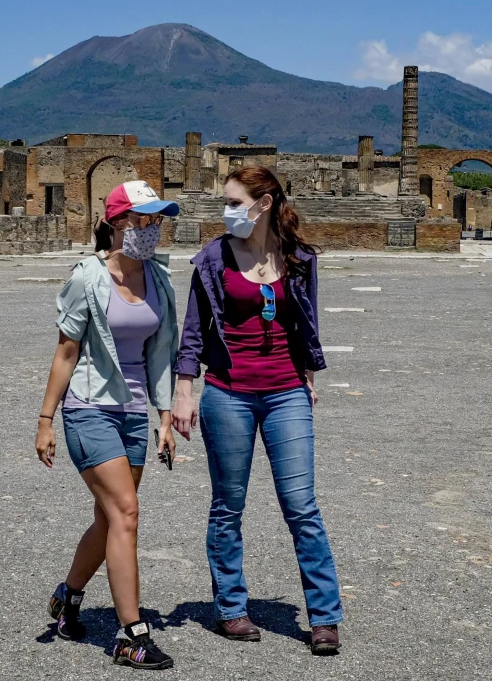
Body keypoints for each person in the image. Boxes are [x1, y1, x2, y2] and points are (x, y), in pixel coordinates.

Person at [171, 166, 344, 656]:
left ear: (264, 203)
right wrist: (186, 390)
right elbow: (193, 331)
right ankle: (231, 608)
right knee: (228, 506)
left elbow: (306, 322)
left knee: (302, 506)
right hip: (228, 393)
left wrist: (308, 376)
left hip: (285, 392)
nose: (226, 212)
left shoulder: (298, 257)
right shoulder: (211, 258)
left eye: (233, 202)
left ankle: (324, 618)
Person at [35, 180, 180, 671]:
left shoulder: (158, 280)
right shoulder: (87, 278)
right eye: (144, 219)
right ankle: (131, 635)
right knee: (126, 512)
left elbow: (161, 354)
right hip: (88, 406)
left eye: (158, 219)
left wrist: (164, 418)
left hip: (134, 414)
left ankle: (67, 597)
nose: (153, 228)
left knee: (110, 518)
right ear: (117, 222)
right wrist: (45, 419)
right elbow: (66, 351)